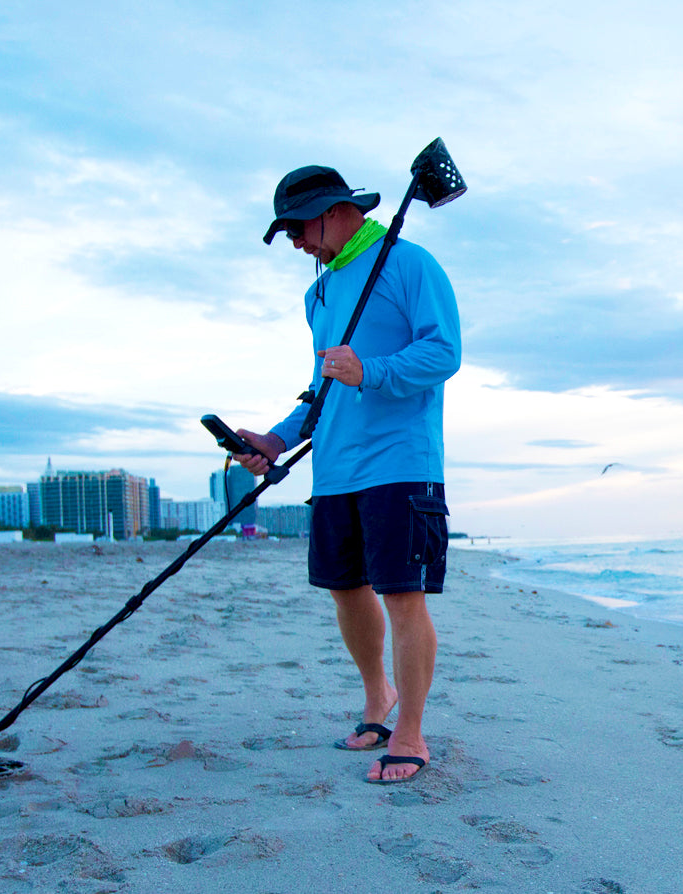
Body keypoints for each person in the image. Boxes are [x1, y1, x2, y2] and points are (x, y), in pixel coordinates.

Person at [232, 163, 461, 784]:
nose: (294, 242)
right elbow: (321, 386)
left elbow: (445, 352)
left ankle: (410, 732)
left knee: (402, 595)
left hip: (400, 460)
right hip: (335, 469)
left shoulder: (408, 264)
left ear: (336, 210)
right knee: (345, 588)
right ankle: (376, 697)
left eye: (297, 227)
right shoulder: (321, 294)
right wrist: (275, 439)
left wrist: (374, 371)